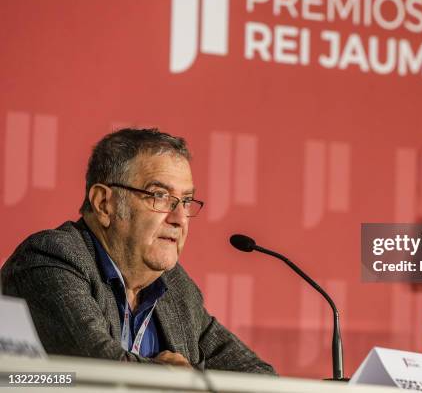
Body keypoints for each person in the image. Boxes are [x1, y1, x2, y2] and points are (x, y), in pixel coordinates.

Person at [1, 128, 275, 374]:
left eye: (187, 201)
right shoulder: (52, 258)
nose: (179, 218)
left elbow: (257, 376)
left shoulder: (175, 287)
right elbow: (98, 367)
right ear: (104, 203)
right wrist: (175, 379)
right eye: (159, 196)